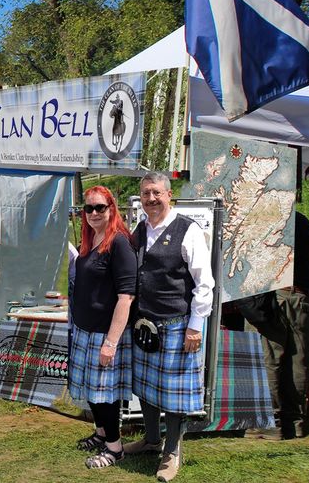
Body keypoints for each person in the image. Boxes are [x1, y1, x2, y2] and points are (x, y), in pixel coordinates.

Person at [122, 172, 214, 482]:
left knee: (173, 395)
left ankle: (172, 451)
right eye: (146, 193)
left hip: (177, 325)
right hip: (145, 324)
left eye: (156, 193)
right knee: (147, 388)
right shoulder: (141, 228)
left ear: (169, 194)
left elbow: (205, 283)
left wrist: (195, 326)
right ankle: (151, 440)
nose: (151, 198)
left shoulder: (187, 230)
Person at [69, 186, 136, 469]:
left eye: (100, 208)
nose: (94, 213)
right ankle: (101, 434)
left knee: (104, 395)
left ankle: (115, 449)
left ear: (111, 208)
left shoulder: (119, 242)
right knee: (91, 391)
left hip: (105, 334)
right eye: (89, 208)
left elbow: (126, 296)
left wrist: (110, 342)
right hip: (86, 330)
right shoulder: (90, 238)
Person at [242, 211, 309, 439]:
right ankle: (294, 422)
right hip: (299, 296)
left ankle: (269, 423)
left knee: (268, 360)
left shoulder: (261, 216)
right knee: (298, 360)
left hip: (271, 297)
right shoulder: (302, 220)